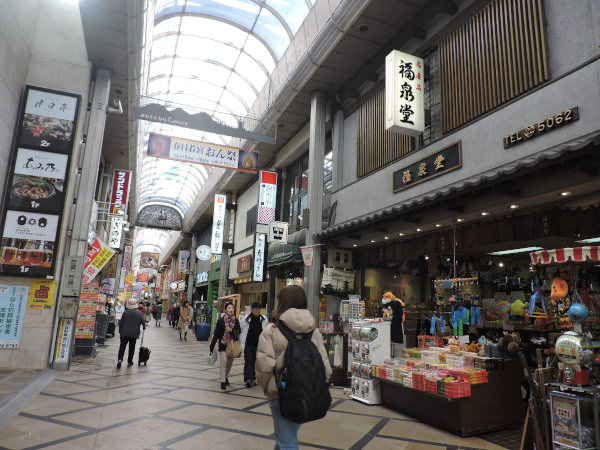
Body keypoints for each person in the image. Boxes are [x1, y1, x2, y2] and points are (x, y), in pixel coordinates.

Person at [256, 286, 331, 449]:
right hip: (308, 392)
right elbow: (325, 364)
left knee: (287, 441)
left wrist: (267, 389)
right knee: (285, 435)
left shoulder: (271, 330)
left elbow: (264, 367)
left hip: (281, 393)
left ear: (281, 303)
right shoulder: (313, 330)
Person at [210, 301, 241, 389]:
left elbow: (239, 331)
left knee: (230, 363)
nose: (231, 309)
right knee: (224, 362)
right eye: (229, 308)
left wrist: (231, 330)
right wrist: (212, 346)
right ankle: (222, 381)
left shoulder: (236, 320)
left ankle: (225, 376)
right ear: (225, 310)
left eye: (232, 308)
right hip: (223, 344)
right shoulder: (221, 320)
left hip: (232, 345)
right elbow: (216, 334)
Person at [240, 302, 268, 387]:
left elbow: (266, 331)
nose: (257, 310)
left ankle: (253, 378)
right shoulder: (245, 319)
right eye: (255, 309)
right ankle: (248, 378)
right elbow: (241, 330)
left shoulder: (264, 319)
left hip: (259, 345)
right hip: (248, 343)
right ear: (252, 309)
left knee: (257, 362)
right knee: (249, 361)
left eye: (258, 309)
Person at [117, 298, 146, 368]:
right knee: (132, 347)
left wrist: (120, 330)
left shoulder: (125, 312)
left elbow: (121, 322)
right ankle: (130, 361)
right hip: (134, 333)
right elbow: (143, 322)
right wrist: (144, 327)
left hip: (124, 333)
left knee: (122, 347)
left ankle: (120, 359)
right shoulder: (139, 312)